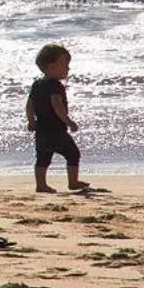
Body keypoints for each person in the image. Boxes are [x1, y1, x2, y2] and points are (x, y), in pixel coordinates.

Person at [26, 43, 88, 193]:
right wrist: (68, 121)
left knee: (42, 158)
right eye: (65, 64)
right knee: (73, 153)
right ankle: (73, 182)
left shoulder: (37, 84)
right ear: (52, 67)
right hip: (56, 130)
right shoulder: (55, 85)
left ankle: (41, 185)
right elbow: (56, 104)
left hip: (41, 129)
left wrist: (31, 120)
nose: (68, 68)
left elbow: (29, 104)